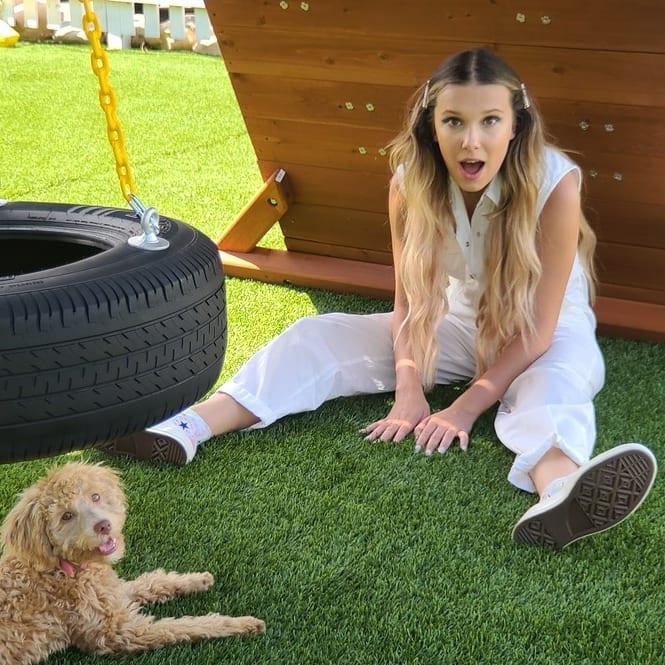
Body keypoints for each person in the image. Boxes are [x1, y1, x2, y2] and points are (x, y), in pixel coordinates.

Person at [104, 48, 657, 549]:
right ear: (432, 129)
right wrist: (410, 390)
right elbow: (411, 302)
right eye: (454, 122)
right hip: (457, 325)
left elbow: (537, 331)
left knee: (549, 388)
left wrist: (463, 408)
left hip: (549, 332)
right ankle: (188, 427)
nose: (472, 141)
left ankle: (559, 489)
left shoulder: (556, 182)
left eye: (490, 121)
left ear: (515, 127)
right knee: (316, 336)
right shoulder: (409, 182)